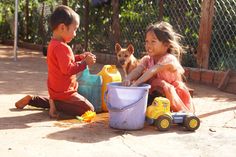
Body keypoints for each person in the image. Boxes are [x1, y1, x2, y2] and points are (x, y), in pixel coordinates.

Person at [15, 5, 96, 118]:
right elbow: (67, 69)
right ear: (62, 27)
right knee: (89, 109)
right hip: (64, 93)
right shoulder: (63, 47)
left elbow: (66, 61)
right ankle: (55, 104)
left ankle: (33, 100)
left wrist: (80, 57)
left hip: (55, 91)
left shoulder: (53, 44)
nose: (75, 33)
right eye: (75, 29)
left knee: (64, 102)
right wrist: (85, 63)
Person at [122, 21, 194, 112]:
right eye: (147, 41)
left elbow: (152, 71)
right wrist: (128, 78)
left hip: (172, 95)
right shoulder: (147, 59)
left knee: (159, 84)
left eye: (153, 41)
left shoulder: (169, 59)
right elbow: (138, 70)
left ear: (166, 45)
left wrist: (136, 84)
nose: (148, 45)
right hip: (156, 93)